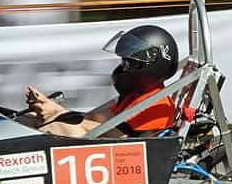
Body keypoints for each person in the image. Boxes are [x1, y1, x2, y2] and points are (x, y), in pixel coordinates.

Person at [24, 25, 179, 138]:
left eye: (129, 63)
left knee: (59, 127)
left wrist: (57, 115)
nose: (123, 68)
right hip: (108, 149)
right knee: (30, 118)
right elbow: (95, 118)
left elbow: (106, 134)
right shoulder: (137, 96)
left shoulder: (155, 105)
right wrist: (53, 109)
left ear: (152, 64)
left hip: (122, 158)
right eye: (123, 62)